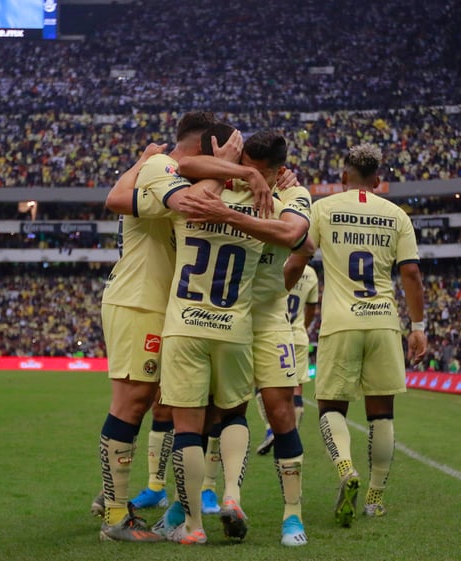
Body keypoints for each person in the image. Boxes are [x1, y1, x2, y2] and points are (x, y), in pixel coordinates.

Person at [178, 130, 314, 546]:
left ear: (277, 172)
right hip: (222, 317)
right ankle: (208, 498)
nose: (244, 178)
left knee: (281, 412)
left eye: (255, 173)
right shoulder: (234, 183)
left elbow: (294, 238)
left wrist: (229, 216)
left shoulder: (295, 195)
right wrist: (237, 172)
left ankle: (293, 517)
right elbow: (184, 166)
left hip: (269, 319)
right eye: (243, 169)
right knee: (214, 413)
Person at [135, 122, 267, 545]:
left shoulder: (190, 195)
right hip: (233, 326)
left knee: (187, 427)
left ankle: (192, 527)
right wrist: (252, 174)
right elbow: (296, 238)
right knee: (233, 414)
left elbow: (180, 163)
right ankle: (230, 494)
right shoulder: (261, 199)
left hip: (186, 324)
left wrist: (223, 165)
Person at [93, 111, 218, 543]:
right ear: (202, 148)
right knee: (132, 402)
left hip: (156, 302)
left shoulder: (161, 168)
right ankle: (114, 515)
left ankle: (114, 497)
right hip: (139, 299)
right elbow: (119, 198)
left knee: (151, 403)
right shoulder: (163, 168)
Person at [287, 143, 427, 527]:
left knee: (332, 407)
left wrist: (274, 298)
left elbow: (298, 259)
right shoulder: (396, 215)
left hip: (340, 322)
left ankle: (346, 469)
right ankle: (375, 498)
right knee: (382, 414)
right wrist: (418, 327)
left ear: (343, 177)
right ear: (378, 180)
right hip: (383, 322)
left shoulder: (323, 208)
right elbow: (411, 274)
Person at [284, 262, 320, 431]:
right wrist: (303, 327)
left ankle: (271, 428)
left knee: (266, 385)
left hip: (275, 332)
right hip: (298, 335)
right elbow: (312, 309)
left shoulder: (279, 264)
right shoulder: (311, 273)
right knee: (297, 387)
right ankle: (293, 433)